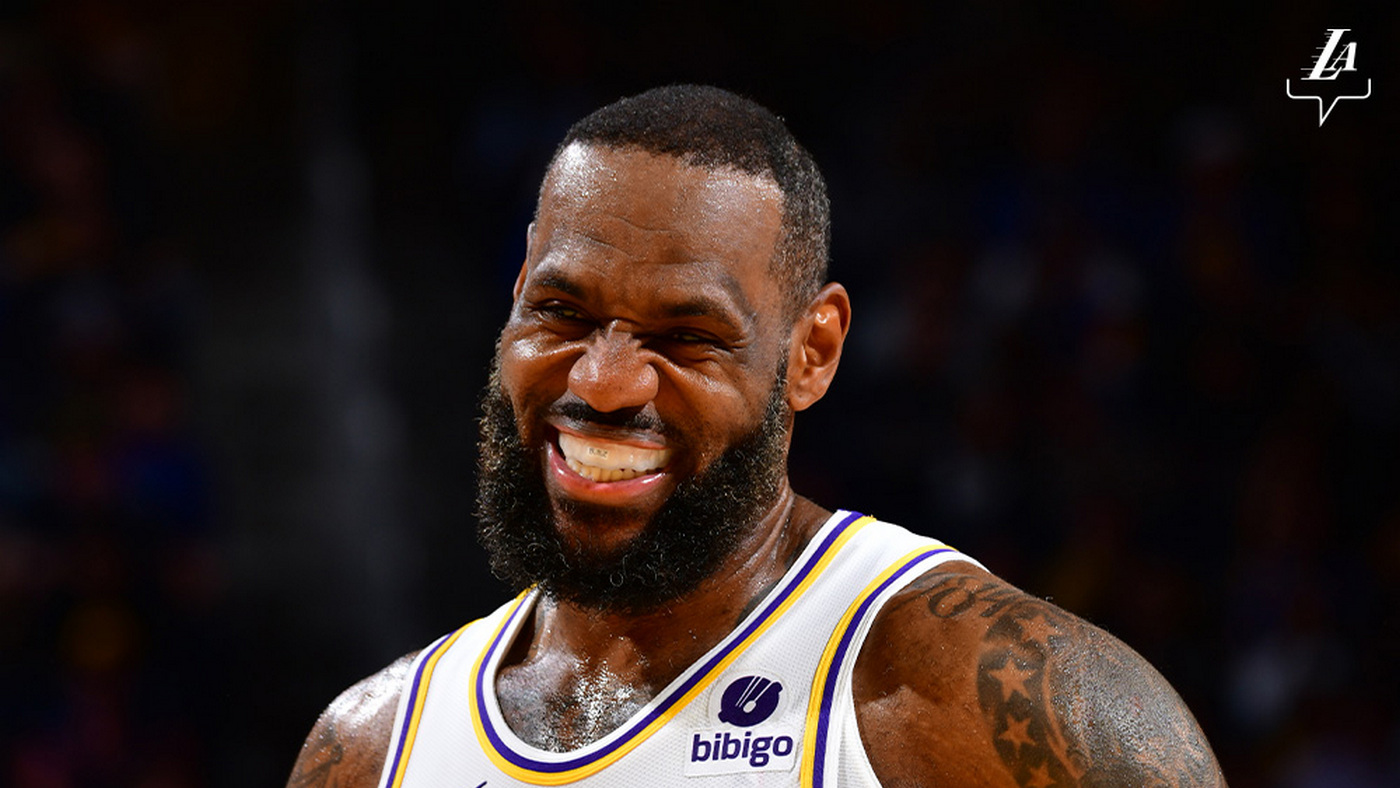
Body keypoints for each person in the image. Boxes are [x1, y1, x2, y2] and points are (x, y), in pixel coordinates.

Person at [286, 85, 1226, 788]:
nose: (602, 382)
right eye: (562, 312)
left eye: (686, 336)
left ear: (812, 353)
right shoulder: (371, 747)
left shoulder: (986, 696)